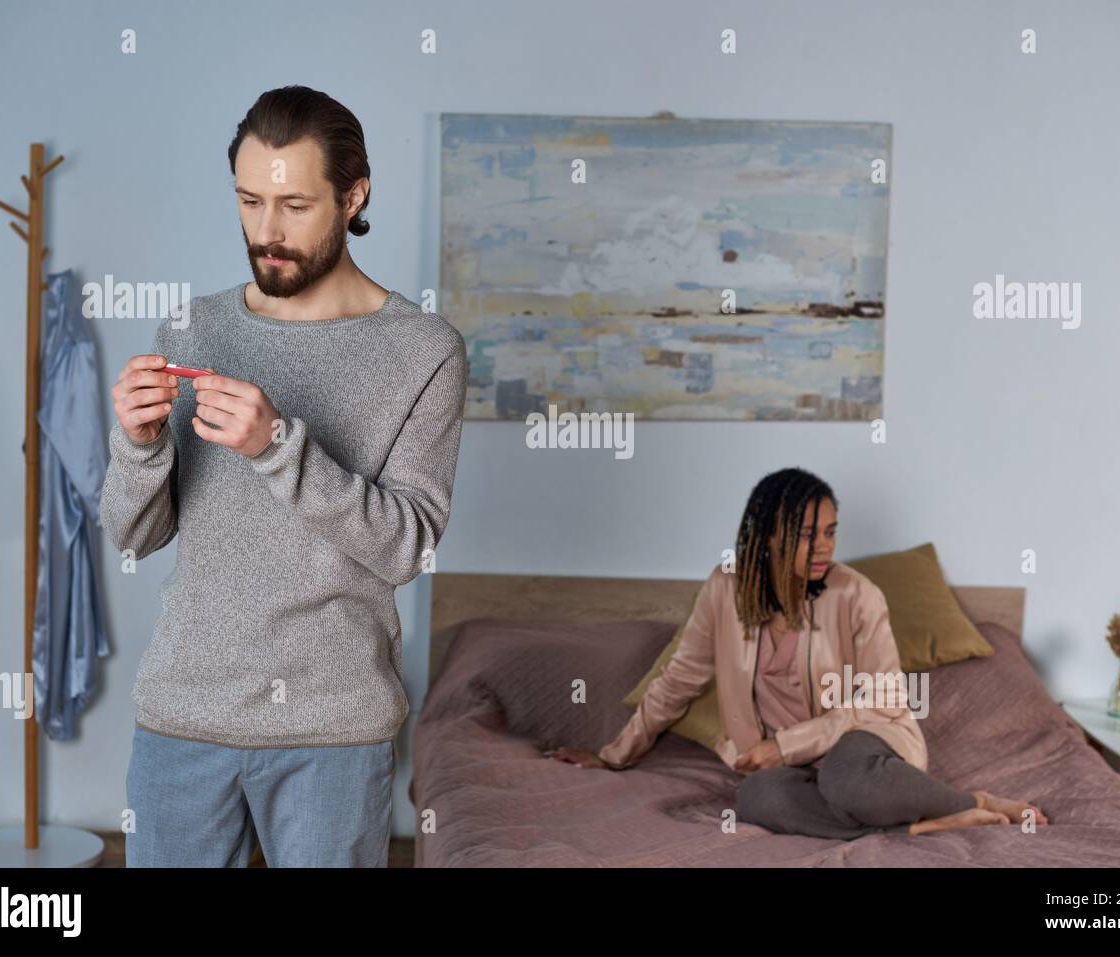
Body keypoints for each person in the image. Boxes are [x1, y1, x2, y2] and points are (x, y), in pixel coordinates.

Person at [101, 86, 468, 866]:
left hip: (330, 731)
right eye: (249, 201)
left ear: (353, 195)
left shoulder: (424, 349)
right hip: (181, 716)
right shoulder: (194, 326)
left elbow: (406, 546)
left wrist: (277, 446)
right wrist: (136, 442)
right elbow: (135, 532)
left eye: (295, 205)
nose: (266, 233)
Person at [549, 468, 1048, 839]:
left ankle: (975, 801)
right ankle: (927, 823)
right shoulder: (724, 591)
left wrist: (791, 744)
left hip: (861, 742)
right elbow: (680, 680)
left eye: (830, 532)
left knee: (847, 778)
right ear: (767, 537)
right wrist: (614, 757)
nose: (824, 547)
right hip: (783, 768)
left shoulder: (858, 595)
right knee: (757, 798)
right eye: (807, 535)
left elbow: (885, 697)